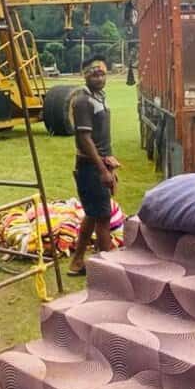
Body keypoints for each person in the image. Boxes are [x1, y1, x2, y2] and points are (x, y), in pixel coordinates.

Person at [67, 56, 121, 276]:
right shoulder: (82, 101)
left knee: (93, 214)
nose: (99, 77)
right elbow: (85, 139)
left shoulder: (99, 97)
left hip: (99, 163)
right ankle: (107, 271)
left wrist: (109, 161)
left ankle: (78, 262)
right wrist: (102, 170)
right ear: (85, 75)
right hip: (90, 167)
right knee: (103, 216)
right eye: (94, 73)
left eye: (102, 73)